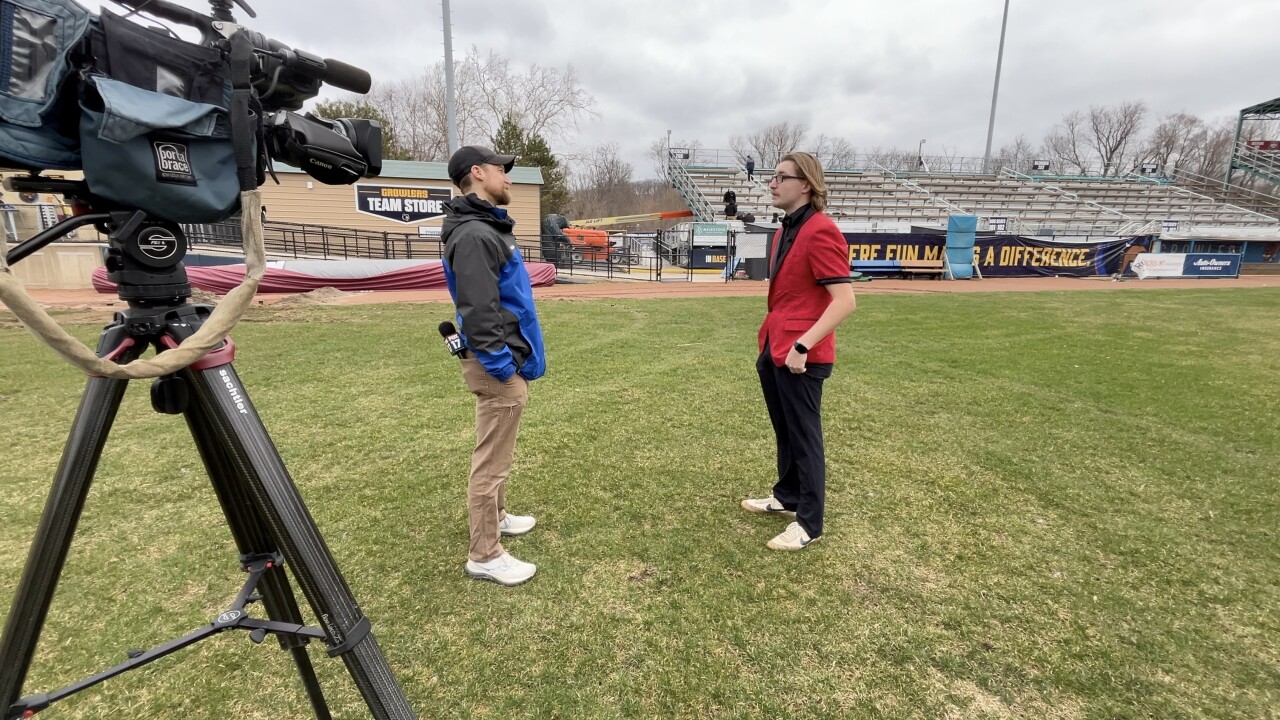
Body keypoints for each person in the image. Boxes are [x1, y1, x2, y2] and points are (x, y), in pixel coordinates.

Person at [441, 145, 547, 586]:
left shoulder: (486, 228)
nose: (508, 177)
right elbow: (480, 312)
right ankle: (484, 554)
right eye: (502, 170)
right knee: (491, 462)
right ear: (478, 173)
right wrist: (503, 367)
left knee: (498, 452)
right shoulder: (473, 235)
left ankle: (498, 516)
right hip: (495, 364)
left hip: (505, 358)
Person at [742, 152, 857, 551]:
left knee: (805, 438)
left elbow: (845, 301)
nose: (772, 183)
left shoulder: (821, 230)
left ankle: (809, 524)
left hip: (801, 356)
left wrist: (803, 344)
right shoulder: (783, 232)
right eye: (772, 177)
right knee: (786, 431)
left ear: (806, 184)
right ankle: (787, 497)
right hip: (774, 347)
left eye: (781, 177)